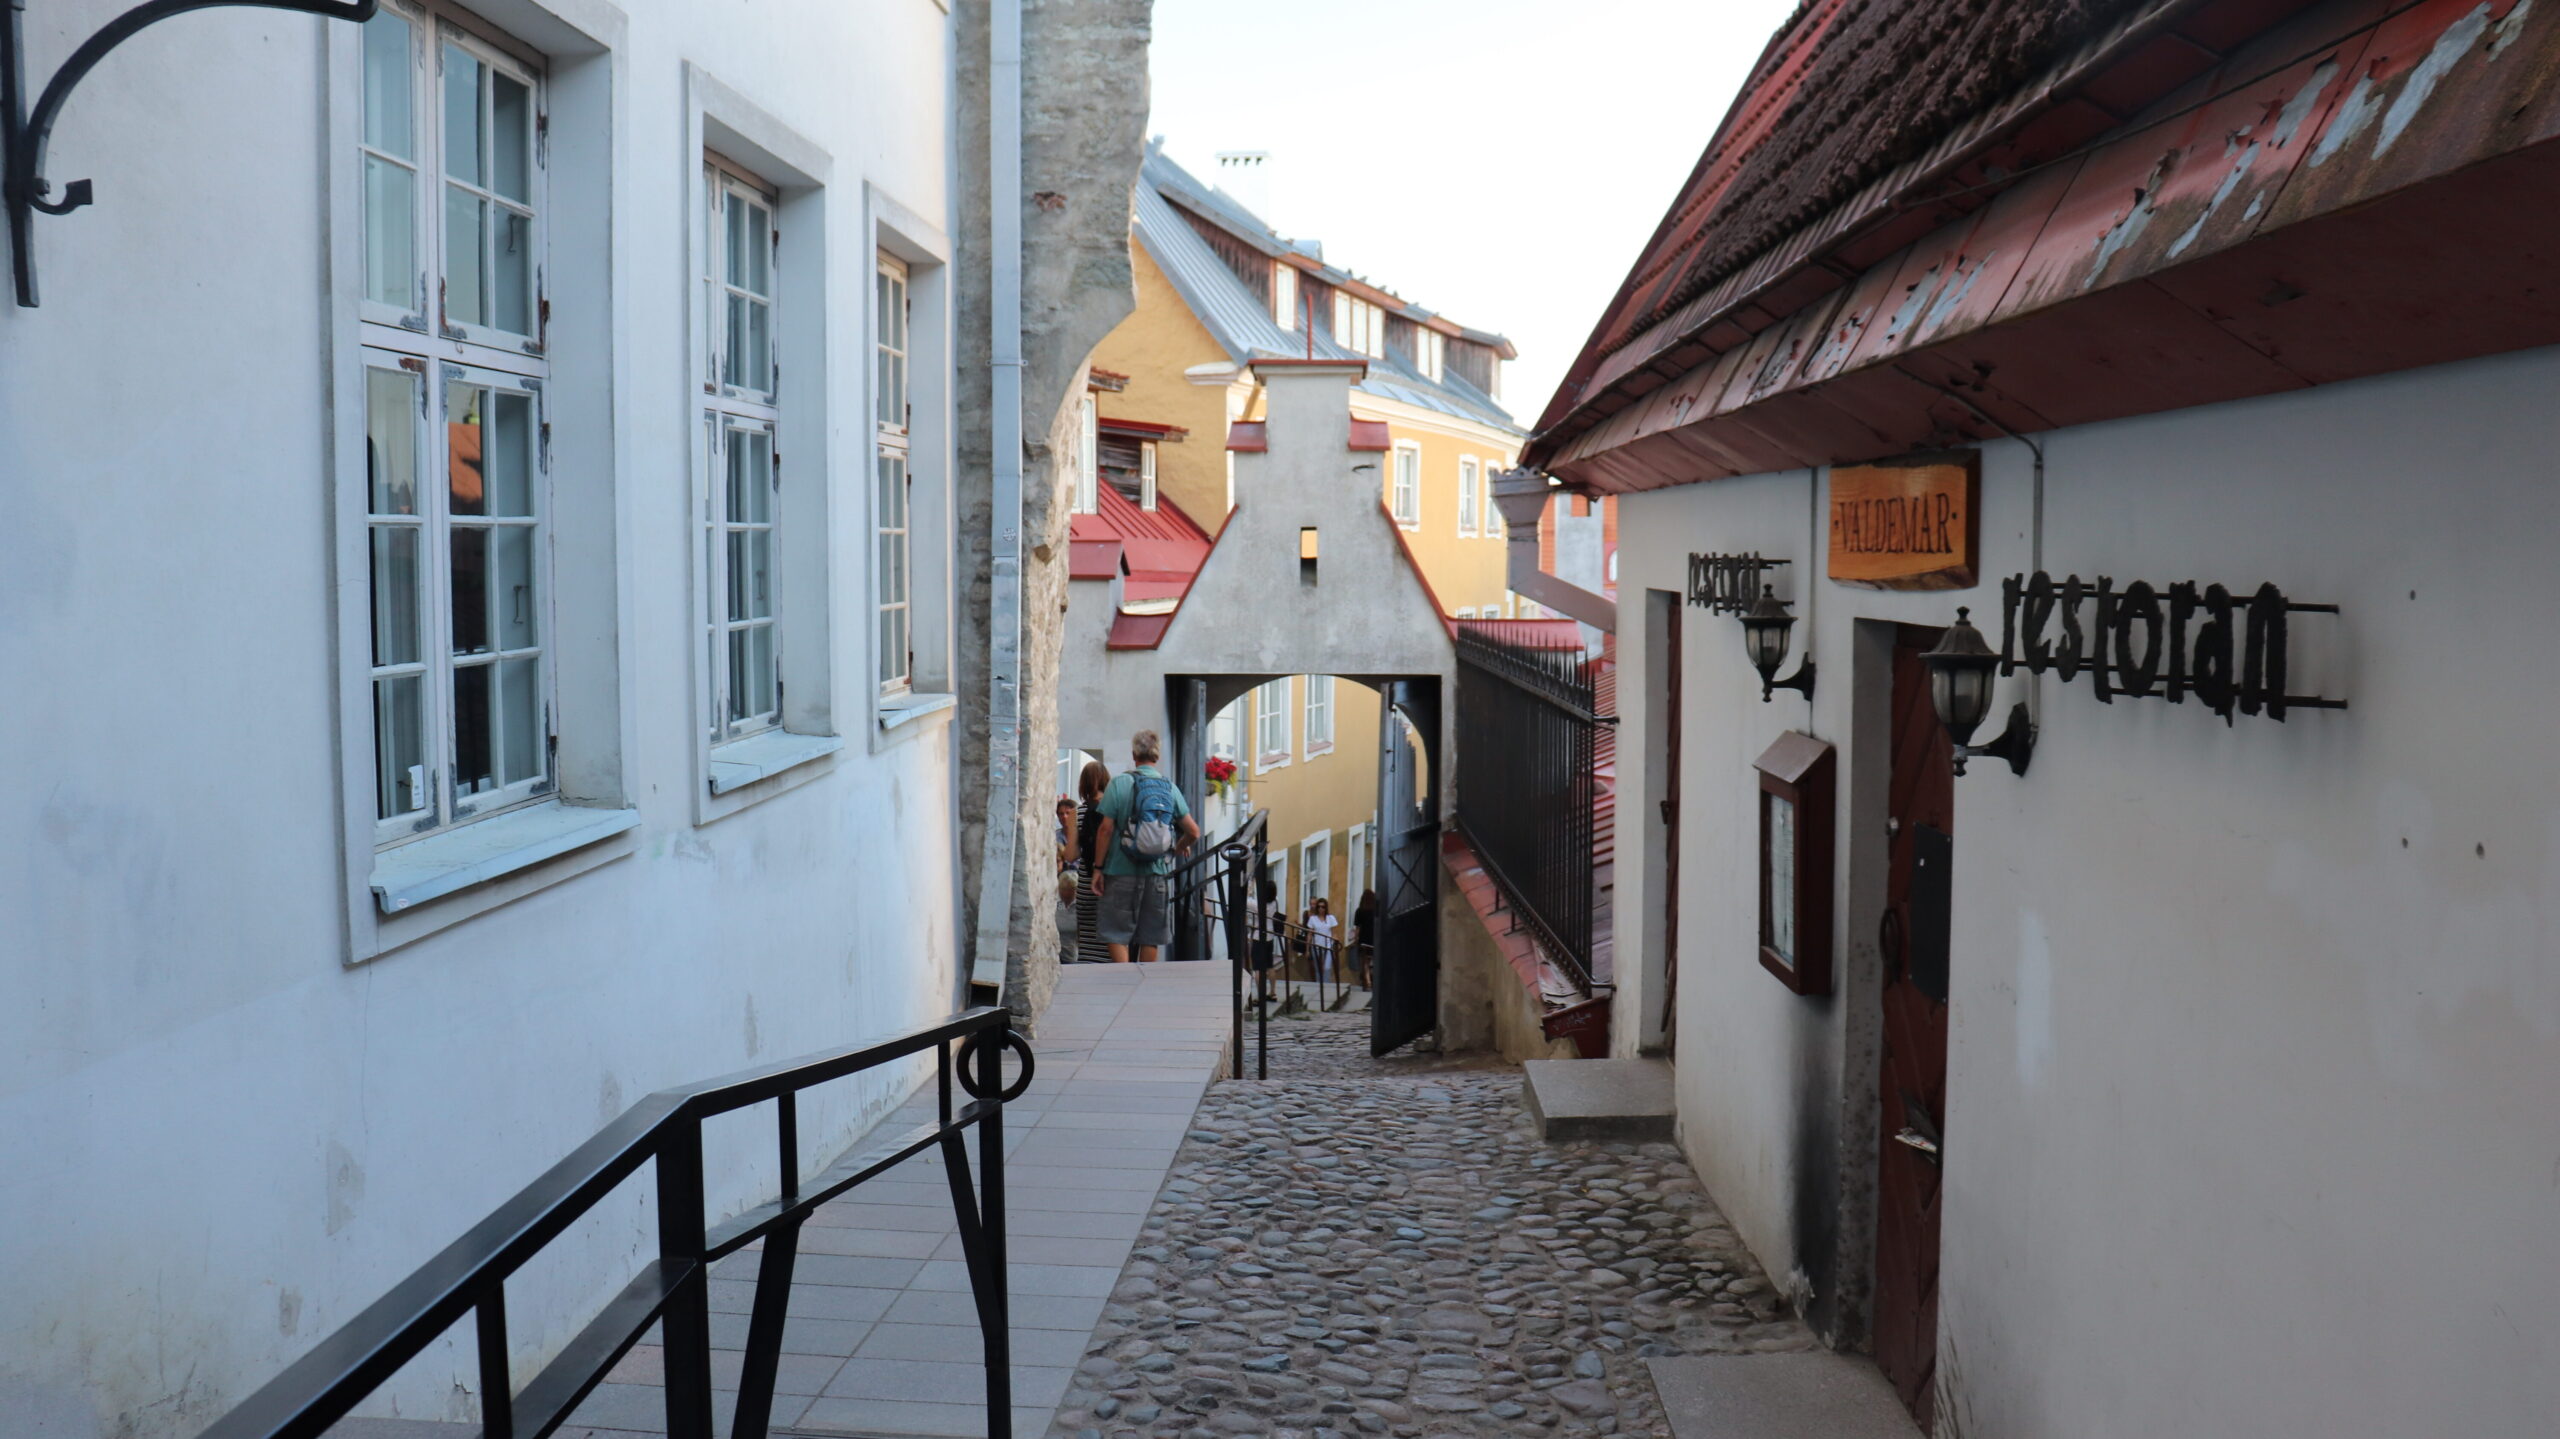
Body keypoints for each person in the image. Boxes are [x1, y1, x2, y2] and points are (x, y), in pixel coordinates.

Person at [1092, 730, 1199, 963]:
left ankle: (1123, 982)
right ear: (1157, 757)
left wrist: (1098, 868)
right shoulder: (1169, 787)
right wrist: (1178, 848)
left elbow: (1105, 829)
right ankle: (1144, 987)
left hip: (1119, 871)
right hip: (1157, 872)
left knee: (1117, 933)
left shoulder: (1119, 783)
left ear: (1134, 755)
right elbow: (1193, 831)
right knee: (1150, 936)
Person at [1073, 760, 1112, 964]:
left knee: (1088, 938)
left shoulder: (1077, 813)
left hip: (1087, 884)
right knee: (1113, 937)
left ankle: (1089, 969)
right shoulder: (1114, 811)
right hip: (1111, 882)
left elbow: (1071, 855)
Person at [1304, 895, 1339, 984]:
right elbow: (1310, 935)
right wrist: (1307, 950)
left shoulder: (1331, 918)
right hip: (1316, 946)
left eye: (1323, 907)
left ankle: (1326, 987)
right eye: (1319, 906)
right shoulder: (1313, 919)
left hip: (1328, 947)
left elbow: (1334, 933)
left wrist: (1335, 948)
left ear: (1326, 907)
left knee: (1327, 968)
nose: (1320, 909)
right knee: (1318, 969)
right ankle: (1319, 986)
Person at [1352, 888, 1379, 988]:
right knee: (1375, 960)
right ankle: (1374, 979)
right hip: (1375, 939)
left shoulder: (1359, 911)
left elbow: (1358, 928)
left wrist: (1355, 940)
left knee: (1365, 962)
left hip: (1364, 939)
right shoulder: (1376, 910)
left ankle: (1368, 981)